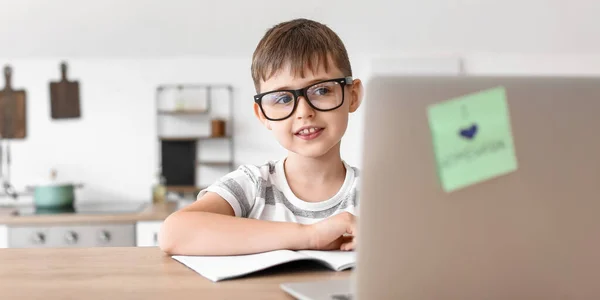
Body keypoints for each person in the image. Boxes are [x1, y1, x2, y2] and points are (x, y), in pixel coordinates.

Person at [158, 18, 364, 256]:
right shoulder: (252, 186)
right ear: (262, 114)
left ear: (353, 95)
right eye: (284, 98)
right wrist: (311, 236)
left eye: (321, 90)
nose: (304, 111)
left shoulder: (379, 192)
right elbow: (174, 233)